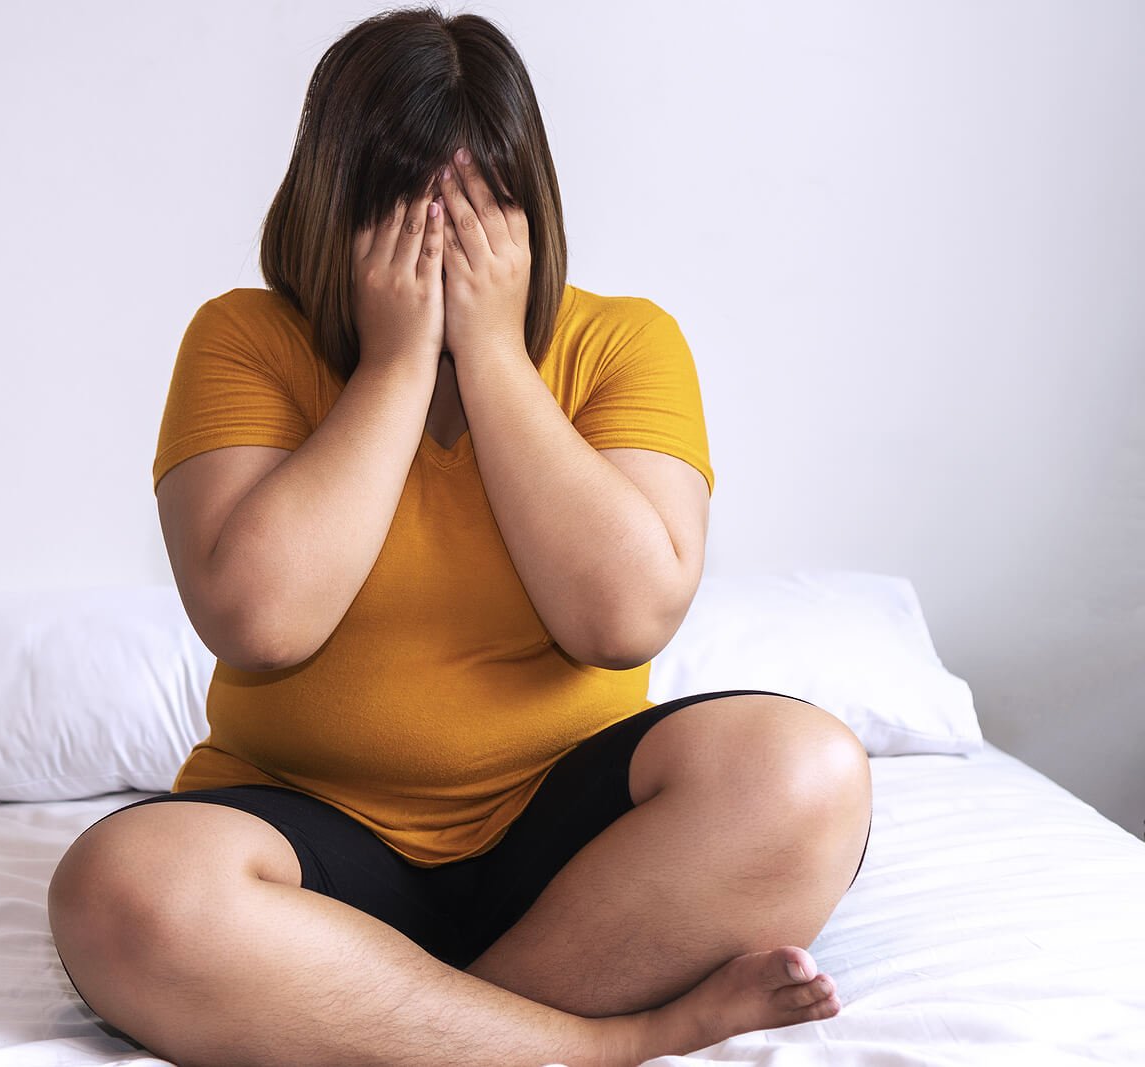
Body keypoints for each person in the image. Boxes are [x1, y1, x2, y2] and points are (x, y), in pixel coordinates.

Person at [48, 7, 873, 1065]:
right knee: (121, 891)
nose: (441, 247)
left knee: (807, 769)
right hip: (307, 839)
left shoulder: (623, 340)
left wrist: (490, 355)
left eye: (476, 212)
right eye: (404, 209)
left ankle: (408, 1023)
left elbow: (620, 620)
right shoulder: (243, 338)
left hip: (579, 862)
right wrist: (394, 367)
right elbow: (262, 622)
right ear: (333, 201)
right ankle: (603, 1042)